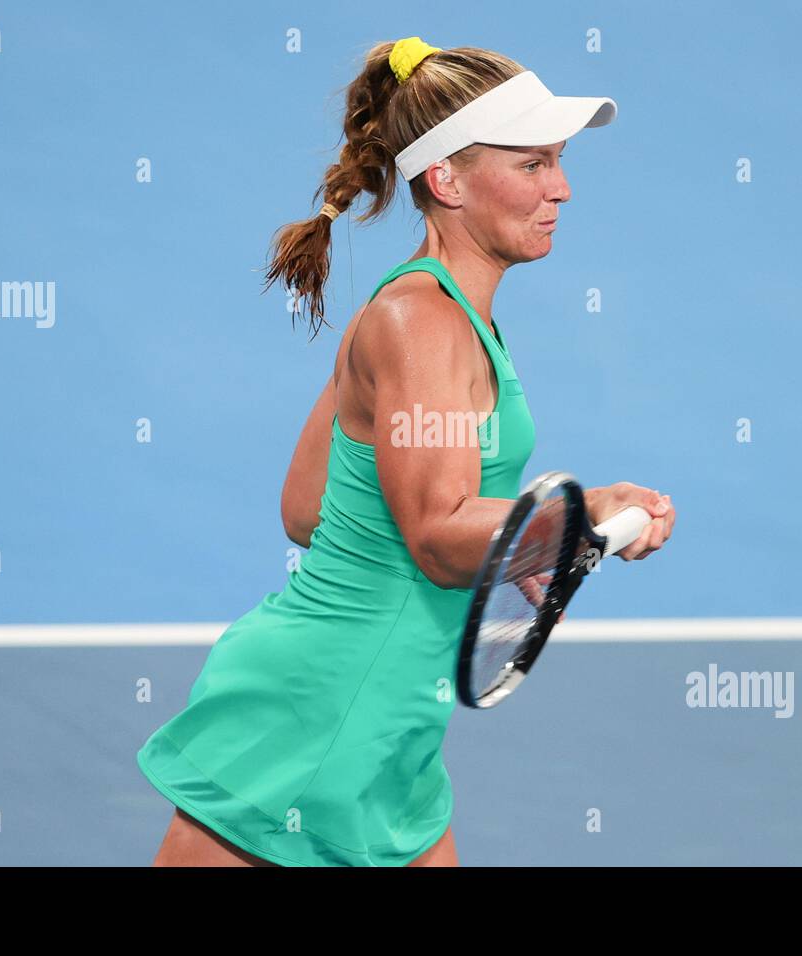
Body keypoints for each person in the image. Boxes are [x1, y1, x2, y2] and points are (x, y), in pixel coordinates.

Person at [136, 36, 676, 867]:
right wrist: (576, 516)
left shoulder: (417, 311)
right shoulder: (419, 321)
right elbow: (434, 532)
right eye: (531, 164)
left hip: (389, 725)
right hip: (318, 719)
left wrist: (517, 538)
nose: (561, 187)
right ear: (447, 180)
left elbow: (309, 507)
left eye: (557, 161)